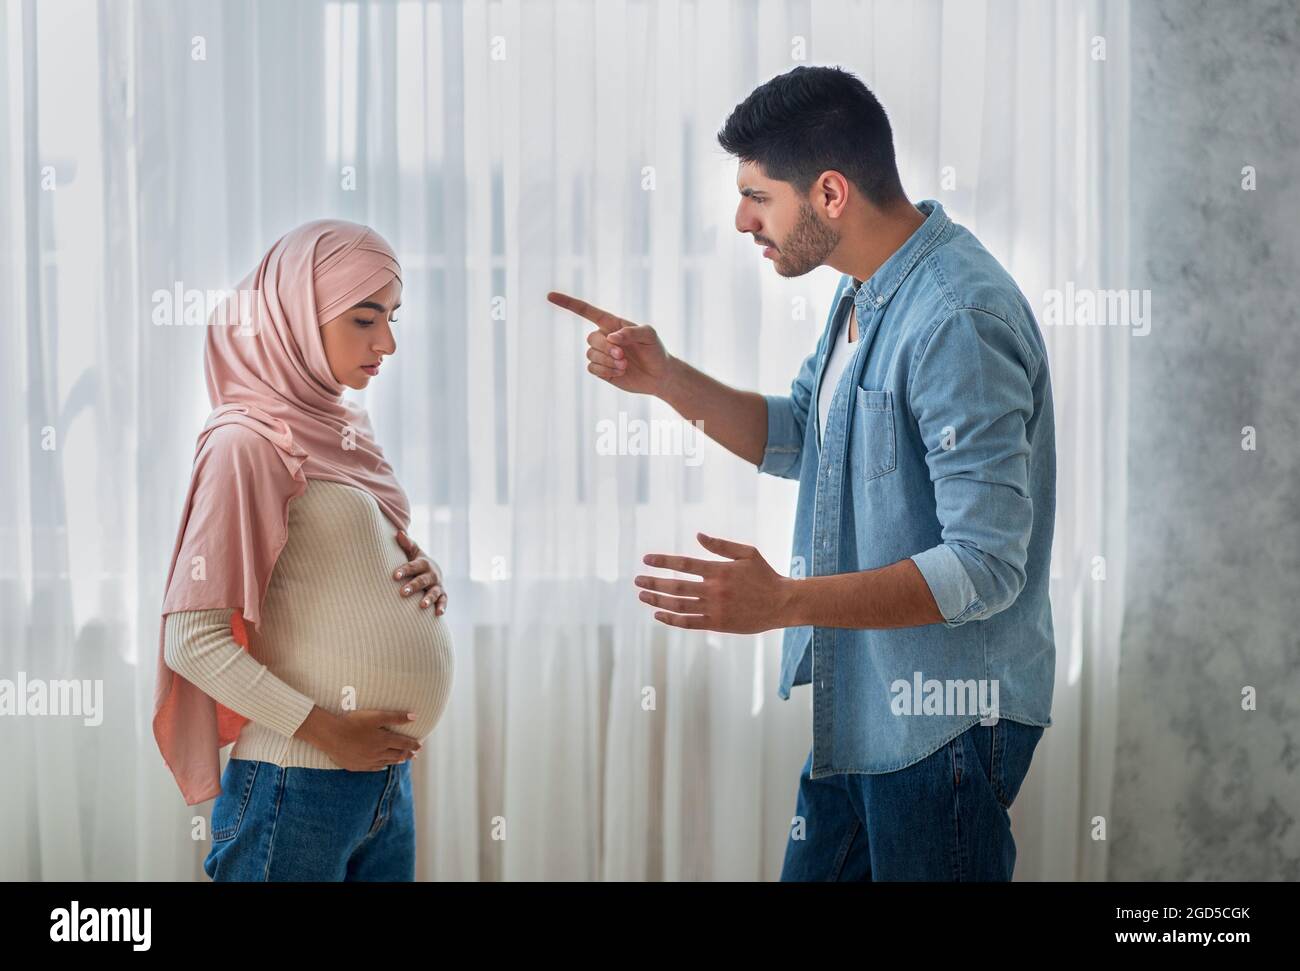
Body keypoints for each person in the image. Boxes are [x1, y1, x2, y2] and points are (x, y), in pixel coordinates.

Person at [548, 65, 1055, 881]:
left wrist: (782, 600)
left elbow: (986, 565)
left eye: (758, 194)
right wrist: (666, 376)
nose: (742, 218)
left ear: (828, 193)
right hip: (861, 709)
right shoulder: (865, 291)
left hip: (943, 726)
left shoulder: (957, 317)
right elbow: (803, 437)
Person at [153, 219, 454, 881]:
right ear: (295, 317)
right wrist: (327, 731)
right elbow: (191, 638)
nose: (389, 342)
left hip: (380, 785)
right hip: (296, 785)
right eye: (365, 319)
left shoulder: (338, 430)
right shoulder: (246, 443)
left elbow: (333, 564)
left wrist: (417, 573)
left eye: (393, 317)